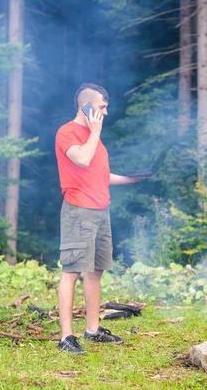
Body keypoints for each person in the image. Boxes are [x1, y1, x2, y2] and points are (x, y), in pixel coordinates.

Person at [55, 83, 144, 354]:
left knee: (95, 272)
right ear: (87, 106)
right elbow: (81, 159)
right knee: (72, 272)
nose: (106, 112)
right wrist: (94, 133)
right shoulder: (67, 132)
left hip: (101, 210)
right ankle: (66, 337)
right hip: (78, 211)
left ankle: (92, 330)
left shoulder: (95, 137)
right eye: (102, 106)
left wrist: (133, 179)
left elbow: (99, 176)